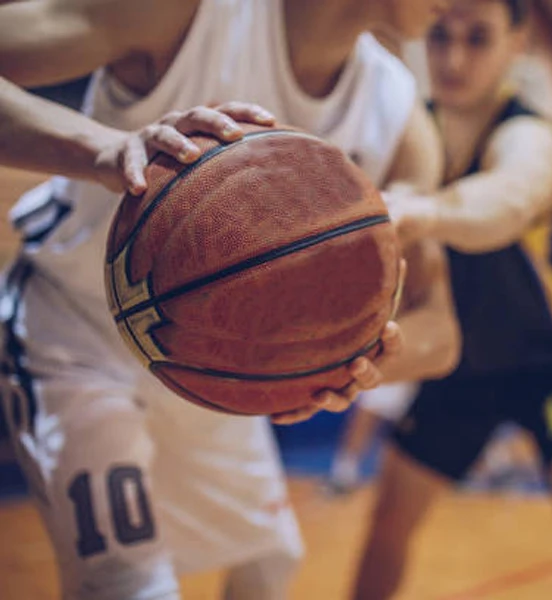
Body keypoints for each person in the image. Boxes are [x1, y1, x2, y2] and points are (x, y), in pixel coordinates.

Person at [0, 1, 459, 598]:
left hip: (209, 370)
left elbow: (440, 329)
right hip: (75, 336)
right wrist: (106, 149)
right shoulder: (184, 14)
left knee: (271, 562)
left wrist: (357, 359)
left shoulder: (401, 117)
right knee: (131, 586)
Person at [351, 2, 552, 599]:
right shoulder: (410, 131)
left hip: (550, 362)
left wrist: (427, 209)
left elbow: (511, 198)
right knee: (387, 526)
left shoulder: (531, 133)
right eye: (440, 37)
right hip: (457, 370)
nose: (454, 58)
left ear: (516, 42)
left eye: (477, 38)